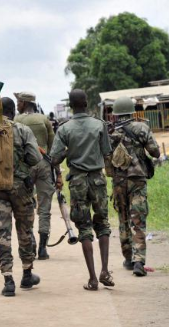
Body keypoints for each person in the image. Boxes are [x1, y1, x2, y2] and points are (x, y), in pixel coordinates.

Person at [50, 89, 114, 291]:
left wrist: (71, 151)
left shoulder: (64, 129)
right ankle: (105, 270)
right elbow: (107, 154)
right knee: (102, 223)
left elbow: (54, 159)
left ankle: (93, 279)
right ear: (86, 103)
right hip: (97, 180)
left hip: (77, 181)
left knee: (84, 227)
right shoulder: (99, 125)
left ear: (70, 105)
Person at [0, 97, 42, 297]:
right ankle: (27, 273)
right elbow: (35, 157)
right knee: (25, 230)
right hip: (21, 188)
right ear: (12, 111)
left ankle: (8, 279)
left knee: (3, 234)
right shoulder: (22, 130)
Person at [107, 96, 160, 276]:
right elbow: (155, 151)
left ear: (115, 113)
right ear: (131, 110)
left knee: (123, 219)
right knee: (138, 220)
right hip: (137, 180)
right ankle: (139, 261)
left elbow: (106, 158)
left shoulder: (110, 131)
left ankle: (128, 258)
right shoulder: (141, 128)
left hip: (118, 181)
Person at [14, 92, 62, 260]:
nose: (17, 105)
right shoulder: (44, 120)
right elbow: (54, 150)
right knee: (44, 208)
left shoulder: (17, 121)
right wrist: (59, 174)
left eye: (18, 102)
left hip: (25, 167)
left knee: (26, 206)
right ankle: (42, 248)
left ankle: (31, 241)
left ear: (25, 103)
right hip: (44, 166)